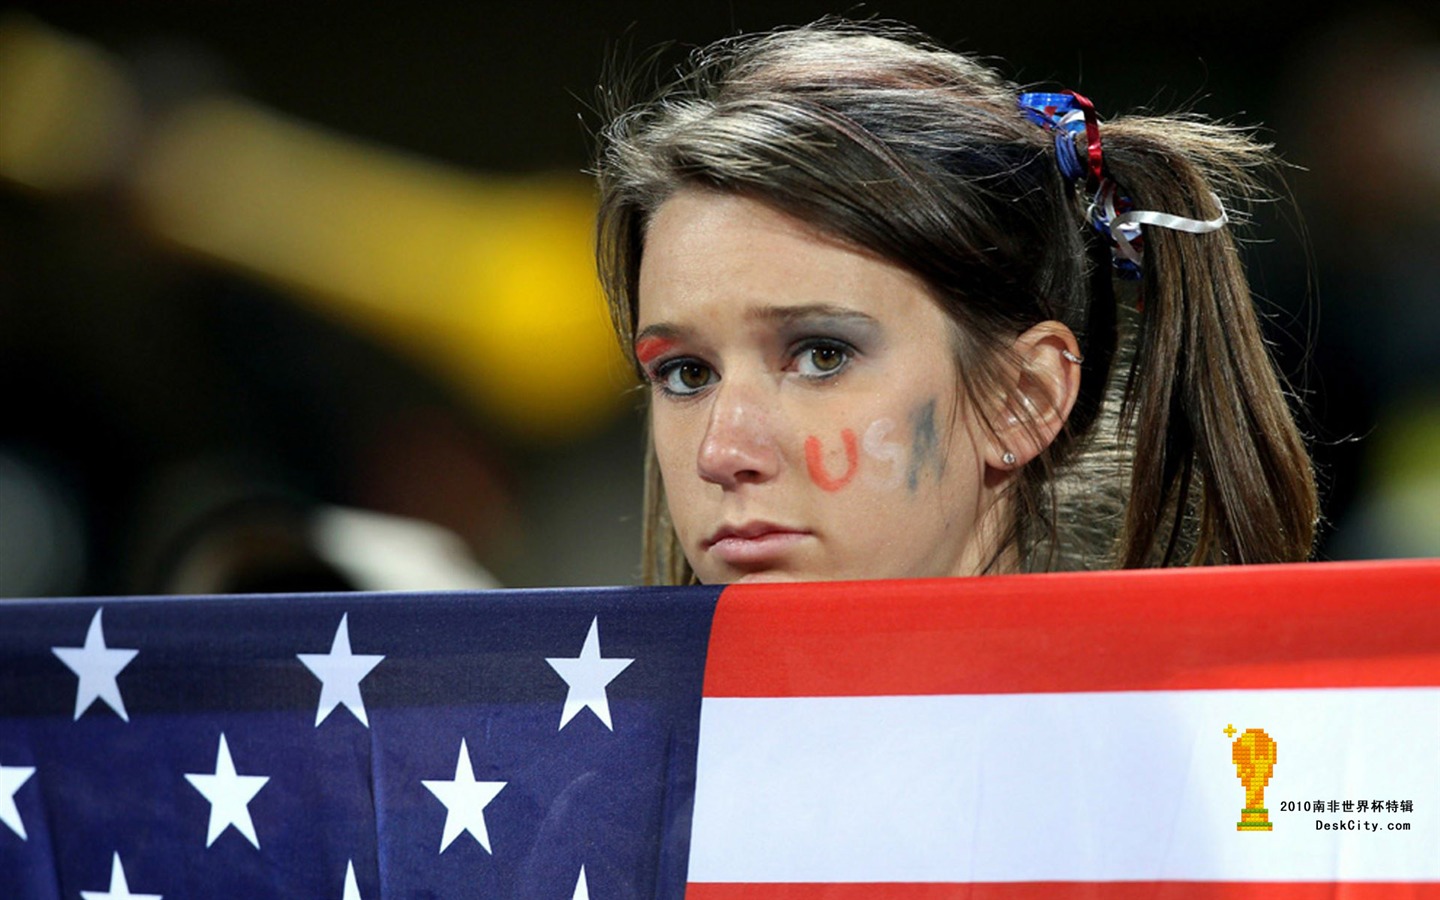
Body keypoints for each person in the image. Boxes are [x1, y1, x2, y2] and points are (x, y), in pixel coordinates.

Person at [593, 19, 1317, 585]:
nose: (723, 452)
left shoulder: (1190, 769)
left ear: (1024, 396)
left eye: (821, 354)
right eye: (686, 373)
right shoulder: (570, 774)